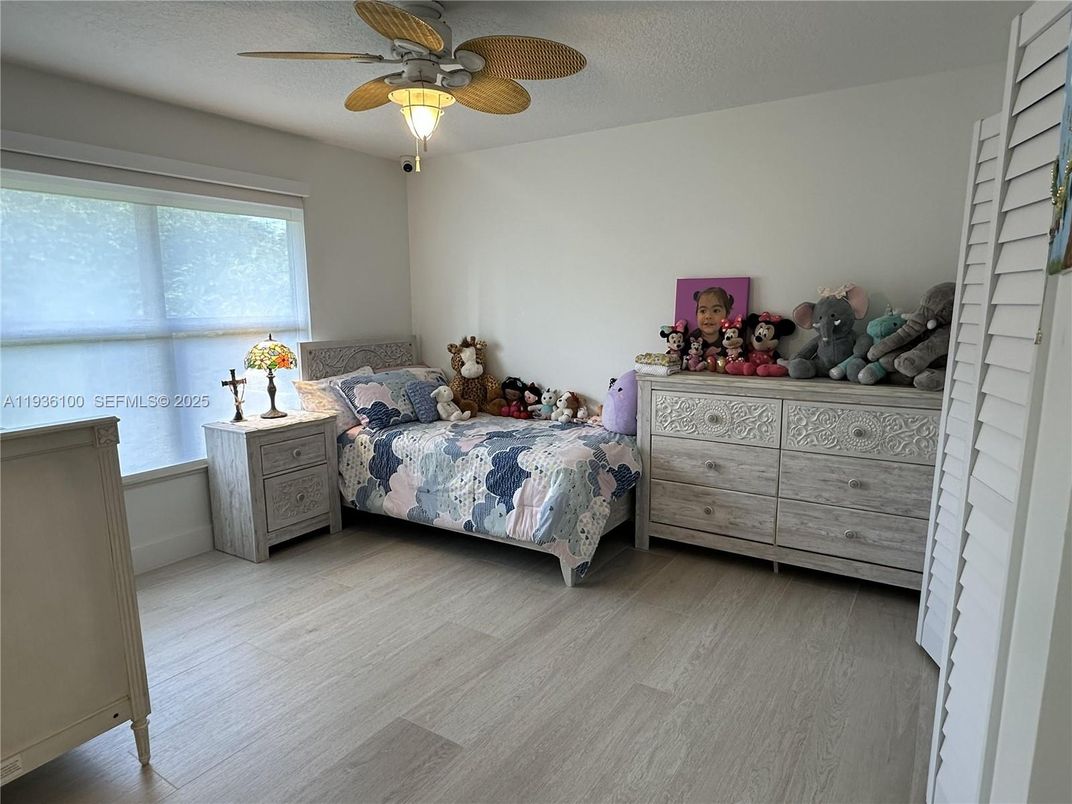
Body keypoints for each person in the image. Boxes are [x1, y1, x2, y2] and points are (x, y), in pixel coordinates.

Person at [691, 286, 735, 355]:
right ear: (696, 314)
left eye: (716, 311)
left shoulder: (729, 339)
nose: (708, 316)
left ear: (727, 315)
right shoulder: (691, 338)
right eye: (702, 311)